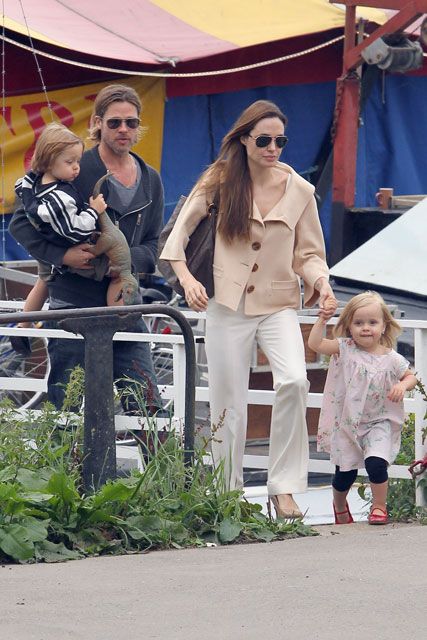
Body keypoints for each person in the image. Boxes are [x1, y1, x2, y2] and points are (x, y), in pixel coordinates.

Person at [160, 100, 336, 518]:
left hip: (277, 304)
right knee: (228, 400)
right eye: (264, 140)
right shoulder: (219, 181)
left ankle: (285, 488)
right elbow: (177, 240)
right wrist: (188, 281)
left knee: (294, 381)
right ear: (243, 139)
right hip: (226, 302)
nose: (273, 147)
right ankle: (226, 493)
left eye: (280, 140)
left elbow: (310, 253)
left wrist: (323, 283)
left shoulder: (300, 190)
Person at [9, 84, 164, 413]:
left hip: (124, 301)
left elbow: (154, 243)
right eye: (114, 122)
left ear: (139, 127)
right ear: (97, 123)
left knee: (146, 404)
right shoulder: (72, 165)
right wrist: (62, 255)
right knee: (67, 403)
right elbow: (21, 223)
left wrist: (123, 260)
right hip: (73, 300)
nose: (123, 129)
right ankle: (60, 467)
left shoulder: (151, 179)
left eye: (131, 123)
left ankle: (162, 466)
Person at [308, 291, 417, 525]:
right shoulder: (344, 349)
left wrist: (401, 385)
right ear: (349, 326)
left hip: (380, 421)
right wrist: (322, 320)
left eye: (372, 322)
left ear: (384, 326)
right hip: (348, 423)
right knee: (344, 474)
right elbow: (315, 344)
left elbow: (411, 377)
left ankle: (379, 507)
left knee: (376, 464)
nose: (365, 328)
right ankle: (339, 505)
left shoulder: (392, 359)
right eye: (358, 323)